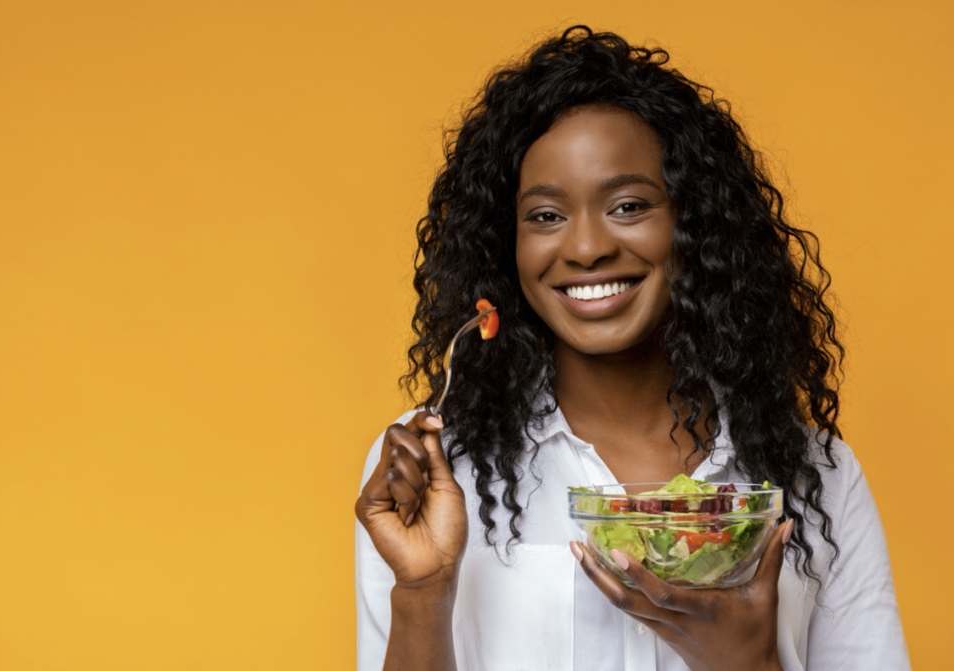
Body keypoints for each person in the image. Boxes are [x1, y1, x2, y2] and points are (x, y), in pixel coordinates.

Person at [354, 26, 909, 671]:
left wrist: (747, 663)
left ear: (693, 225)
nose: (587, 247)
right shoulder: (434, 470)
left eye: (627, 205)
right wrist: (423, 591)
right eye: (545, 215)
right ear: (506, 247)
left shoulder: (819, 476)